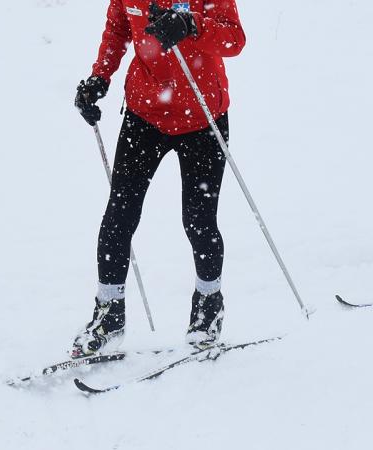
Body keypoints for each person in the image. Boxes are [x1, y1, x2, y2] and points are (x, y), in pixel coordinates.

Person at [71, 0, 245, 358]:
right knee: (119, 216)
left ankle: (208, 307)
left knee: (198, 221)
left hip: (202, 117)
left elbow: (234, 39)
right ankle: (109, 315)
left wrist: (192, 25)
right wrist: (99, 78)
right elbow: (118, 29)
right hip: (145, 115)